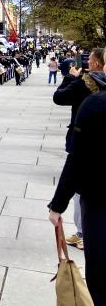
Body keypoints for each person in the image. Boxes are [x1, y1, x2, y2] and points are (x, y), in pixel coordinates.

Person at [49, 83, 106, 306]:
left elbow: (77, 158)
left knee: (101, 279)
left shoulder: (96, 104)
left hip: (100, 202)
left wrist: (57, 204)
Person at [52, 48, 106, 251]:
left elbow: (59, 98)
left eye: (90, 60)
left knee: (81, 190)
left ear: (99, 64)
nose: (88, 63)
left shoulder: (86, 85)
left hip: (85, 143)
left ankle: (83, 233)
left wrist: (70, 78)